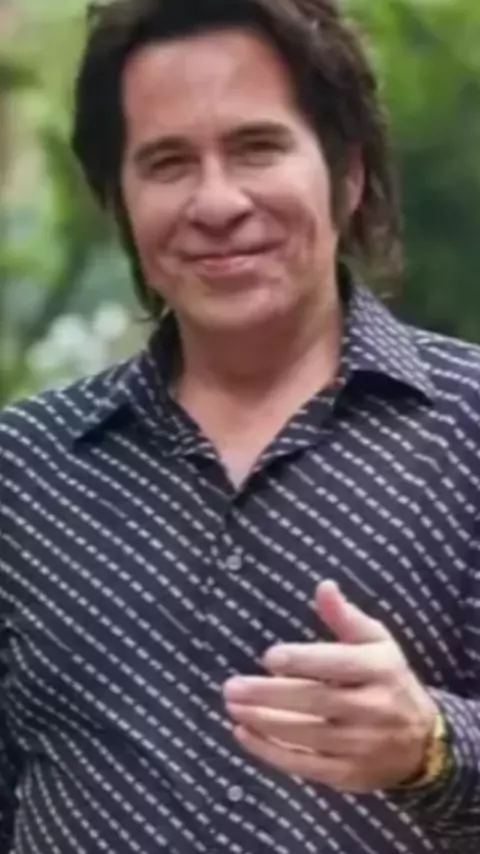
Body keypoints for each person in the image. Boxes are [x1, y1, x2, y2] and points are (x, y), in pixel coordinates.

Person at [0, 0, 479, 851]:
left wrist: (432, 748)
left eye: (257, 147)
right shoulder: (24, 471)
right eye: (168, 162)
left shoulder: (468, 432)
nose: (216, 202)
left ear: (349, 174)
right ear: (118, 201)